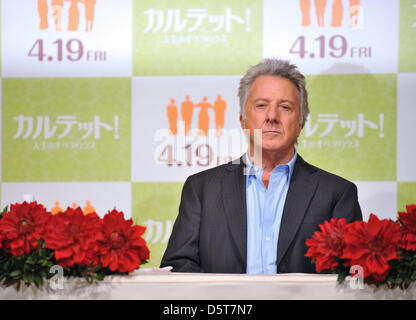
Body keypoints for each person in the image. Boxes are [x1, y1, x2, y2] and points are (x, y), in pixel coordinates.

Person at [160, 58, 362, 274]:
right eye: (261, 105)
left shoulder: (336, 193)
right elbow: (179, 265)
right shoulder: (202, 188)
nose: (272, 117)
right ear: (243, 120)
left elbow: (351, 275)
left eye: (285, 107)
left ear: (301, 122)